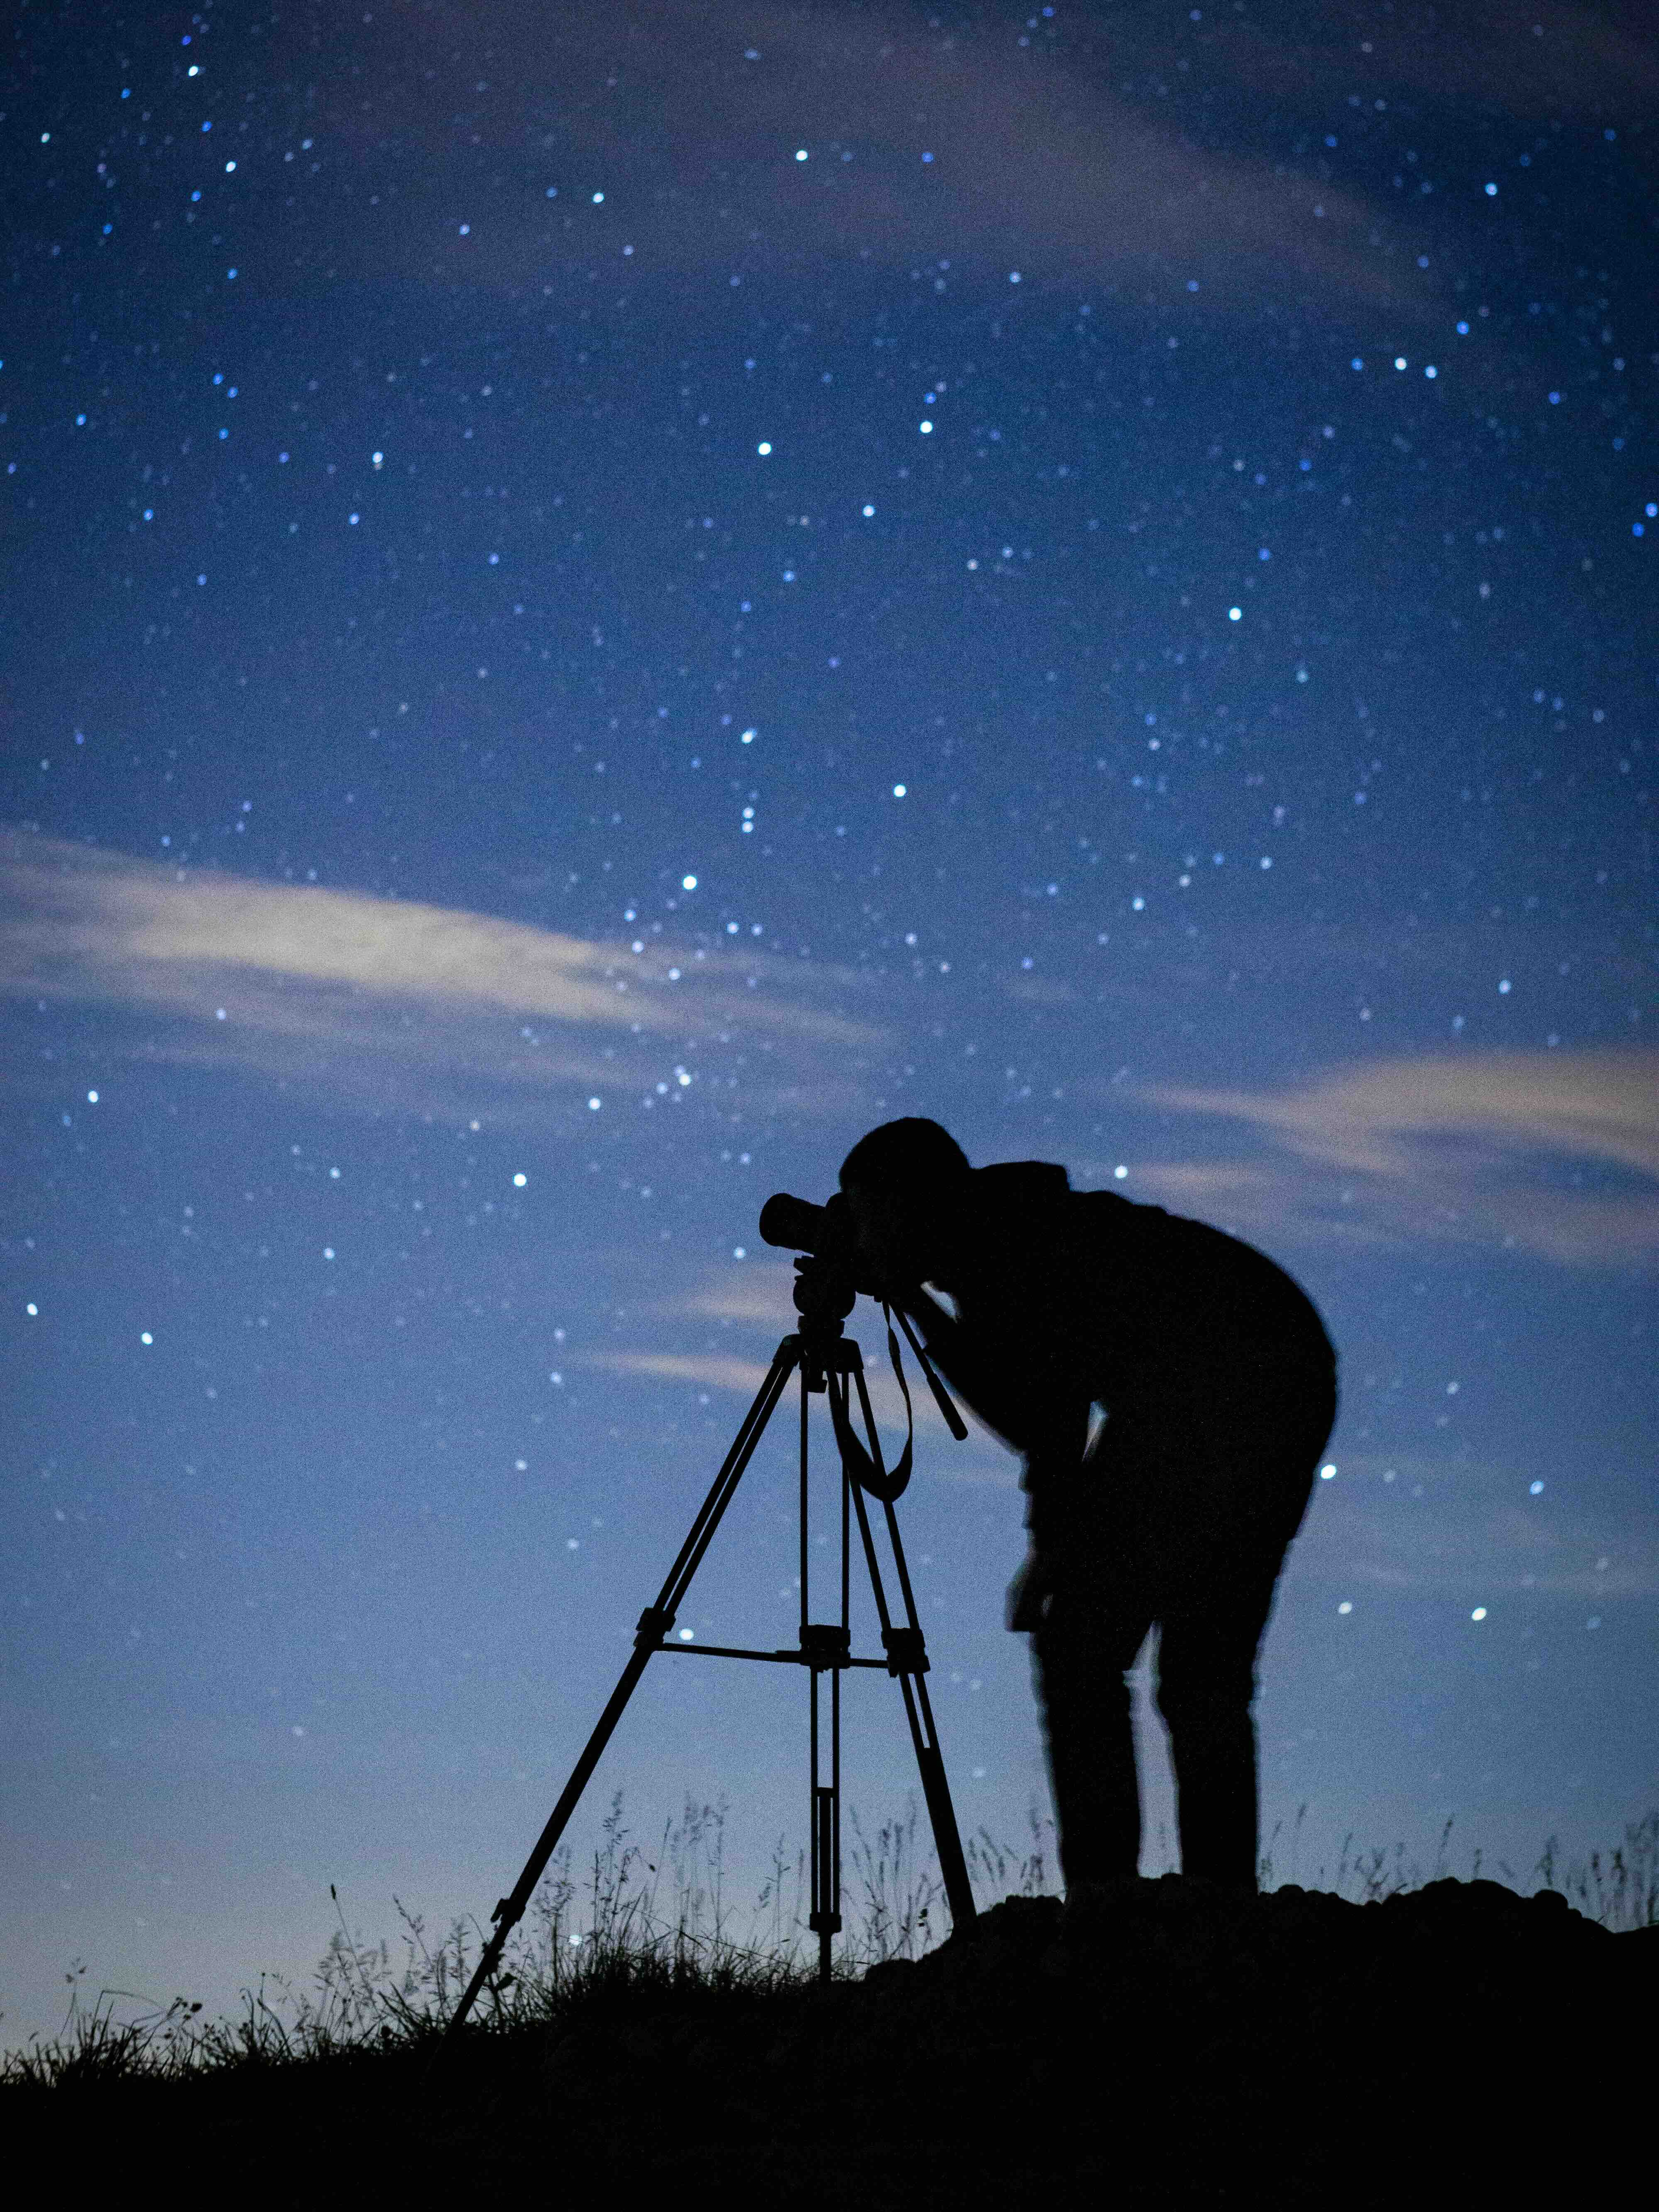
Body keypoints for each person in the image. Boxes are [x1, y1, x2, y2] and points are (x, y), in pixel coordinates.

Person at [837, 1116, 1337, 1892]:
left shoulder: (1005, 1246)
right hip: (1268, 1376)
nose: (862, 1237)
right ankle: (1214, 1902)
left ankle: (1111, 1903)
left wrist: (1054, 1549)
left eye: (868, 1218)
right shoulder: (1004, 1231)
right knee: (1197, 1671)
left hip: (1223, 1387)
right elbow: (1040, 1406)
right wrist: (915, 1300)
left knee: (1094, 1649)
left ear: (910, 1207)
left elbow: (1046, 1417)